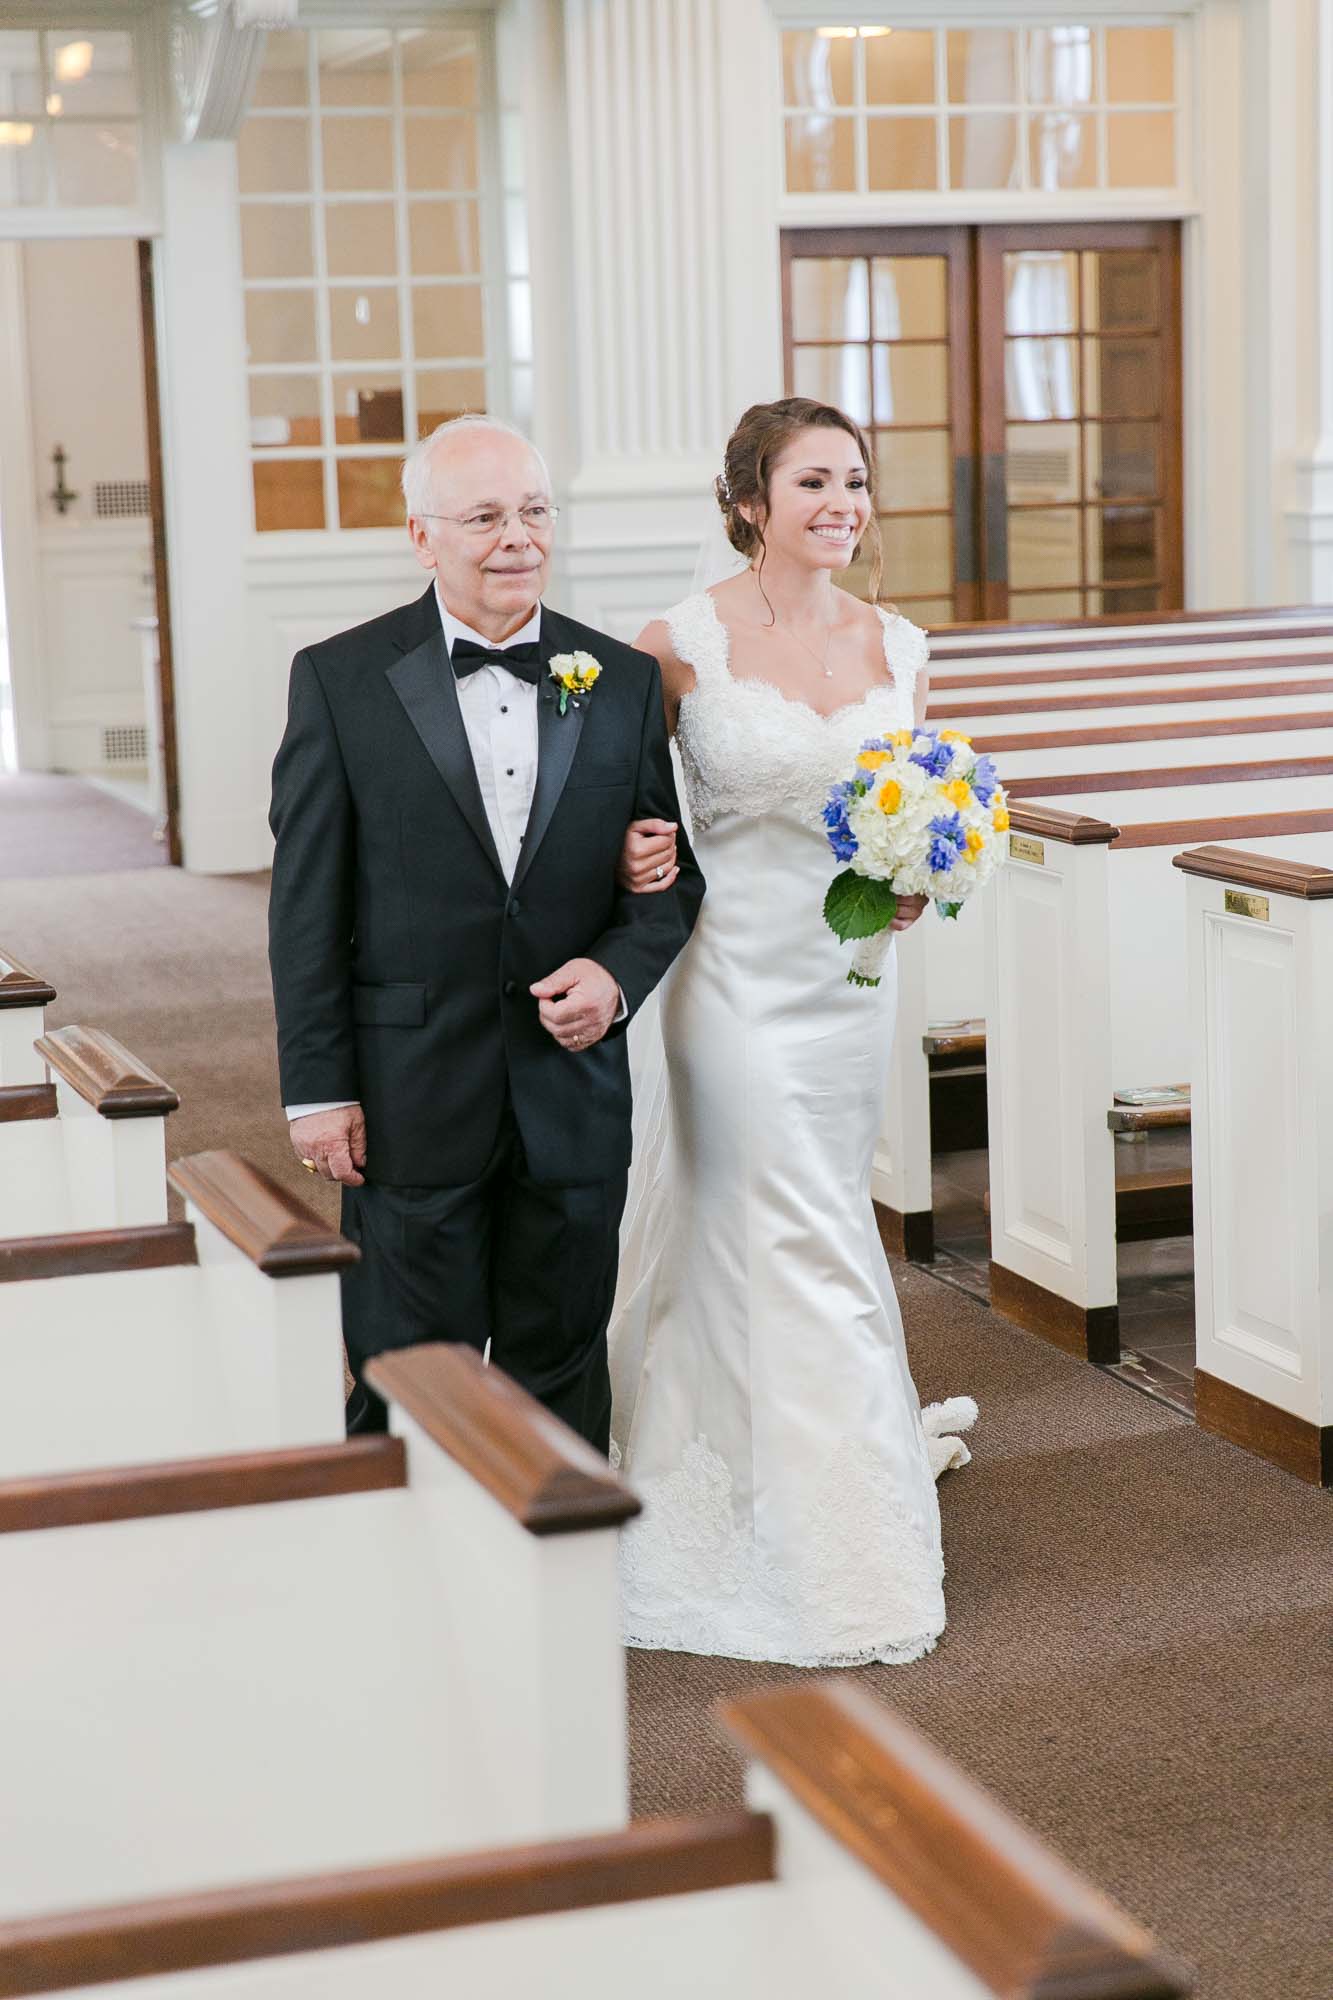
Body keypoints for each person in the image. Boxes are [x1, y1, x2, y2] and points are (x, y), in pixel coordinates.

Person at [608, 396, 976, 1667]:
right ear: (749, 501)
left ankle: (796, 1462)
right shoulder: (680, 642)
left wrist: (922, 872)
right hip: (729, 981)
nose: (841, 504)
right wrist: (634, 853)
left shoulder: (900, 644)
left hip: (848, 985)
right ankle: (824, 1536)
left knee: (804, 1216)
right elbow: (611, 807)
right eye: (812, 481)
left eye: (854, 481)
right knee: (796, 1228)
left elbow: (917, 803)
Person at [268, 415, 703, 1448]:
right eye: (485, 516)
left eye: (535, 510)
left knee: (562, 1361)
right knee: (409, 1372)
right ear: (422, 536)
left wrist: (616, 974)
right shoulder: (339, 680)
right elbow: (306, 904)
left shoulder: (620, 679)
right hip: (411, 1090)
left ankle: (562, 1552)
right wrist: (318, 1089)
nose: (518, 537)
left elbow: (667, 877)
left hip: (570, 1092)